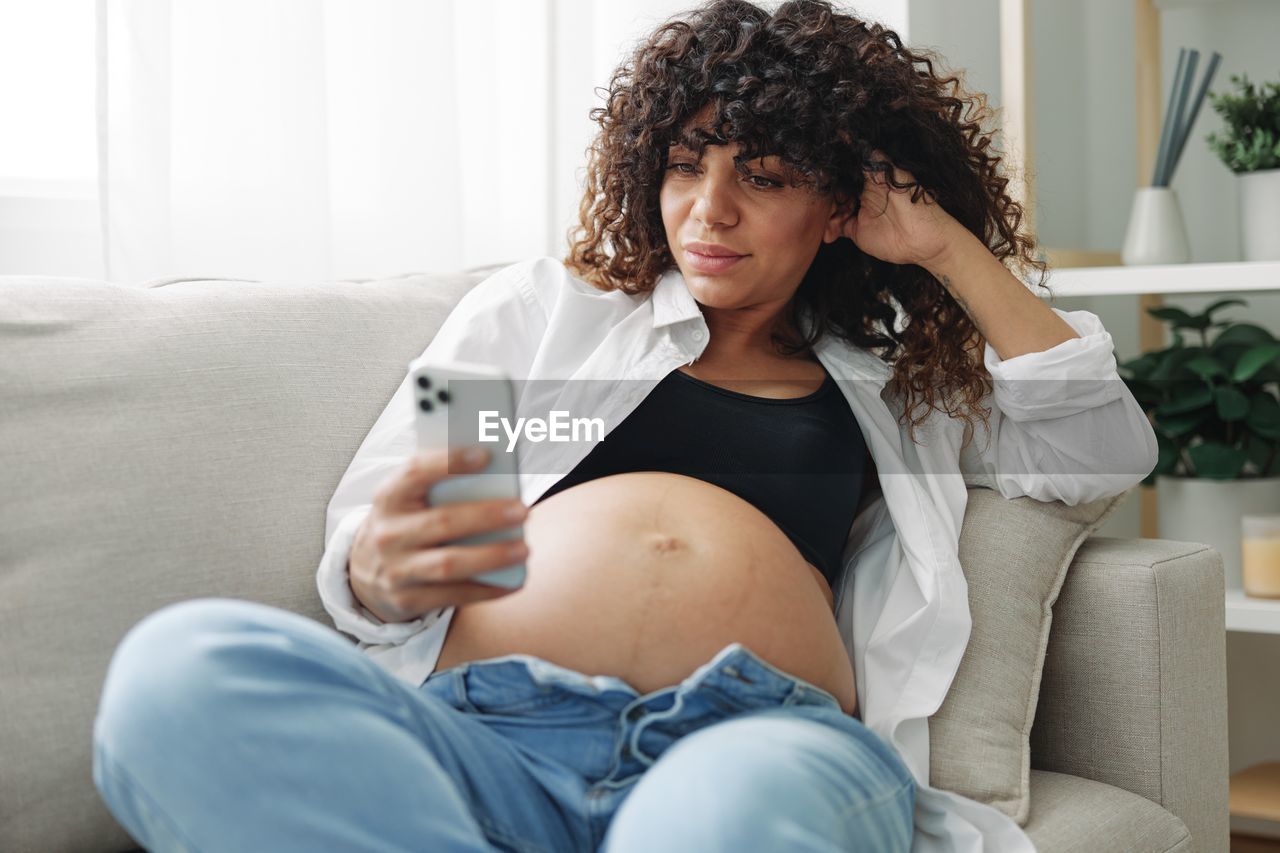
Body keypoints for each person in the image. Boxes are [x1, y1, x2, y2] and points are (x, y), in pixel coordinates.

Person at [91, 1, 1158, 851]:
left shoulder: (892, 388)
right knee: (182, 666)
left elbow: (1096, 454)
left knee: (711, 824)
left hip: (754, 747)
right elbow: (402, 525)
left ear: (838, 208)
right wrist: (382, 571)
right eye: (686, 165)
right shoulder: (533, 313)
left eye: (766, 176)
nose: (709, 210)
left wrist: (942, 248)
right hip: (486, 737)